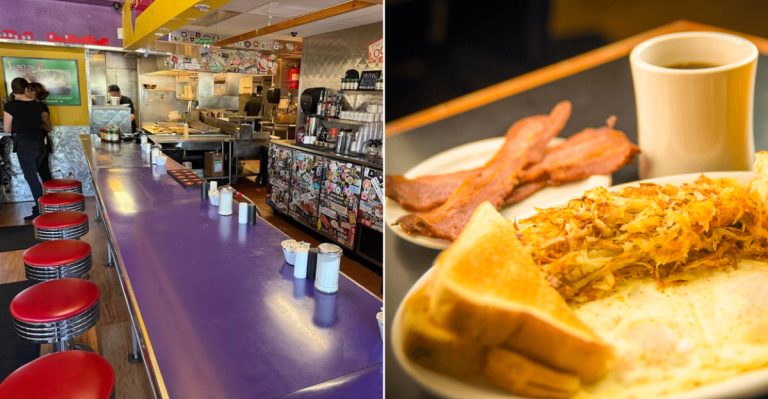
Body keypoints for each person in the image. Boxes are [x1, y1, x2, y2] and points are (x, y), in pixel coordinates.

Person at [3, 78, 50, 220]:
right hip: (40, 144)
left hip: (25, 145)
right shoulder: (37, 105)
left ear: (13, 90)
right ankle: (41, 207)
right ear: (26, 89)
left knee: (32, 178)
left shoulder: (10, 106)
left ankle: (41, 210)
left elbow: (7, 129)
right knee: (38, 176)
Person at [28, 82, 53, 182]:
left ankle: (50, 195)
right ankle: (50, 194)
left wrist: (36, 124)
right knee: (42, 171)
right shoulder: (30, 105)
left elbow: (48, 128)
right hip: (36, 143)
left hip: (41, 143)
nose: (26, 92)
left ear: (35, 92)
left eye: (29, 90)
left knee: (43, 171)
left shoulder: (41, 107)